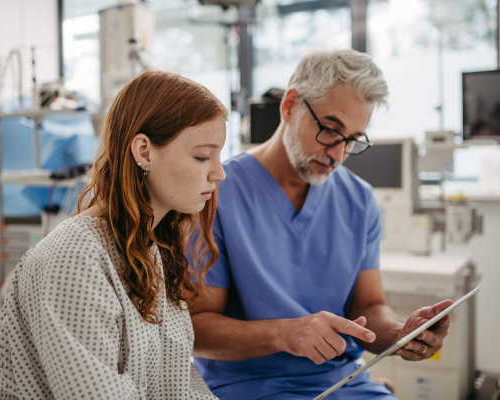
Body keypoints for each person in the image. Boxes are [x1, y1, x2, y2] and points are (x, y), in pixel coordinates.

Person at [189, 49, 454, 400]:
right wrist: (283, 334)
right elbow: (197, 329)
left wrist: (399, 335)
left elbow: (368, 306)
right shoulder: (217, 195)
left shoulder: (358, 199)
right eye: (331, 130)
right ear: (290, 106)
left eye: (354, 139)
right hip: (250, 388)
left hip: (344, 383)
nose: (338, 154)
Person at [0, 71, 228, 400]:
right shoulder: (74, 259)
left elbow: (175, 386)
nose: (219, 172)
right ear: (144, 152)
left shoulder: (149, 247)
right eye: (202, 156)